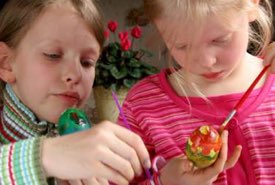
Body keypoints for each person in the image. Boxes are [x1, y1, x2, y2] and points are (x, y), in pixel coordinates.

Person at [118, 0, 275, 184]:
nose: (206, 61)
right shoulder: (143, 105)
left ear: (252, 5)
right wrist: (164, 181)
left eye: (220, 39)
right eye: (182, 46)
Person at [0, 0, 152, 185]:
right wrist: (43, 157)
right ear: (5, 63)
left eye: (87, 62)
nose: (75, 74)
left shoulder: (95, 147)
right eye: (53, 55)